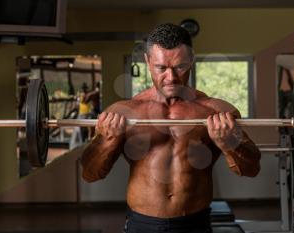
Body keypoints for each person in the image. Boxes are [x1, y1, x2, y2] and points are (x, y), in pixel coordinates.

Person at [81, 23, 261, 233]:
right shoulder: (123, 113)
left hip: (195, 224)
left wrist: (229, 144)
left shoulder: (215, 111)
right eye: (161, 68)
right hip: (142, 225)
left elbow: (252, 169)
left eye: (180, 67)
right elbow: (90, 174)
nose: (171, 77)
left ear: (191, 61)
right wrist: (106, 142)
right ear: (148, 62)